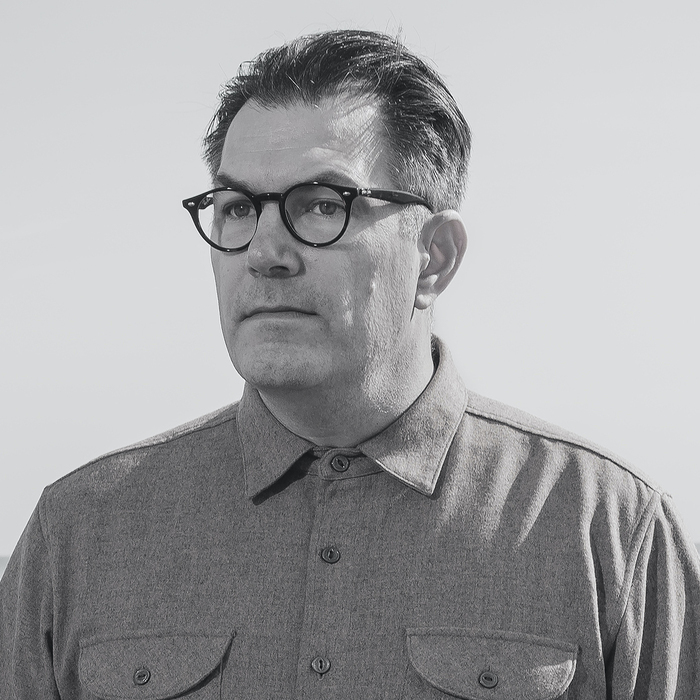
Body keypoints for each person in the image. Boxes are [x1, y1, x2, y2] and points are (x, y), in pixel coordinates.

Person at [1, 29, 698, 699]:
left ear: (434, 258)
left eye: (321, 205)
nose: (264, 253)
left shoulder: (607, 530)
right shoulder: (79, 532)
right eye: (238, 208)